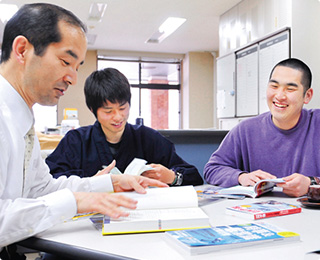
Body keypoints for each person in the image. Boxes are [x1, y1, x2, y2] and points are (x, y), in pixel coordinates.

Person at [0, 3, 167, 254]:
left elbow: (40, 190)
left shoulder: (21, 117)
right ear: (22, 50)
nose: (73, 78)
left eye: (77, 67)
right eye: (66, 61)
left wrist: (109, 184)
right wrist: (76, 202)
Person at [46, 68, 203, 186]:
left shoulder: (148, 138)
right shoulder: (76, 141)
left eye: (122, 108)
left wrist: (172, 177)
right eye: (108, 111)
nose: (118, 117)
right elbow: (51, 181)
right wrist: (92, 183)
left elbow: (194, 176)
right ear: (93, 110)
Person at [204, 58, 320, 198]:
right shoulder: (246, 130)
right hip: (260, 216)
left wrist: (311, 183)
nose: (279, 96)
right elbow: (212, 169)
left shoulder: (316, 124)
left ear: (307, 96)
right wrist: (241, 177)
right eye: (274, 86)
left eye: (290, 89)